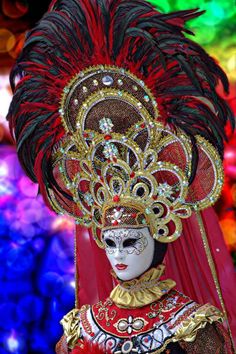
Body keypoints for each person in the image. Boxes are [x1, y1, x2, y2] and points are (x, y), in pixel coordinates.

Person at [7, 0, 236, 353]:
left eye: (129, 241)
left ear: (159, 233)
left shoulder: (193, 328)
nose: (118, 255)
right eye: (111, 241)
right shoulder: (82, 328)